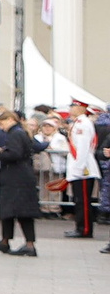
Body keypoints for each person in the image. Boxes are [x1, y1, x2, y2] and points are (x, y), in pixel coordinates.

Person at [0, 110, 42, 255]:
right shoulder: (20, 132)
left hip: (17, 178)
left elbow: (15, 154)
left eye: (1, 123)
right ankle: (5, 241)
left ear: (9, 120)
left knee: (21, 212)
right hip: (17, 177)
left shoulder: (16, 133)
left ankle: (28, 245)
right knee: (7, 211)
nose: (1, 128)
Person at [63, 99, 98, 237]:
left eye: (73, 106)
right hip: (80, 166)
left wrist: (78, 168)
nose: (71, 108)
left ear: (81, 108)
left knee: (83, 201)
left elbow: (83, 148)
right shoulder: (79, 123)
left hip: (84, 168)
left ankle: (85, 229)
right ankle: (80, 227)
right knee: (79, 200)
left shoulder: (83, 124)